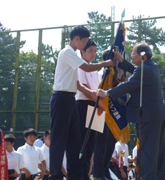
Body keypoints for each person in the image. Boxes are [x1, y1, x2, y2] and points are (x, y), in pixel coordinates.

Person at [97, 42, 165, 180]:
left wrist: (107, 93)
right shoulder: (151, 66)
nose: (132, 55)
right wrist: (123, 62)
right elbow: (137, 72)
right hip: (157, 115)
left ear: (143, 56)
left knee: (147, 152)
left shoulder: (144, 70)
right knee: (159, 153)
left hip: (148, 117)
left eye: (134, 53)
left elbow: (129, 84)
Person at [49, 25, 113, 180]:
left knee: (75, 141)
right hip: (62, 98)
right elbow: (87, 68)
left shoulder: (74, 55)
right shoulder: (68, 52)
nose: (85, 45)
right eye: (84, 42)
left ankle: (75, 174)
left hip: (70, 99)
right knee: (59, 139)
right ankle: (56, 174)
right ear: (76, 39)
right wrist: (106, 63)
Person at [75, 39, 104, 180]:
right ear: (82, 51)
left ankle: (86, 173)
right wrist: (98, 103)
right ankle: (80, 174)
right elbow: (84, 88)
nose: (93, 53)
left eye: (95, 50)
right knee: (83, 142)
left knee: (92, 143)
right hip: (85, 105)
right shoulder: (81, 67)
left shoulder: (95, 70)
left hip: (97, 106)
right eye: (90, 50)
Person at [92, 50, 117, 180]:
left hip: (113, 114)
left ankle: (104, 170)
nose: (116, 62)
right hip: (99, 111)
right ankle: (97, 173)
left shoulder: (117, 76)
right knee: (100, 144)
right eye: (114, 59)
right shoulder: (99, 74)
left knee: (110, 144)